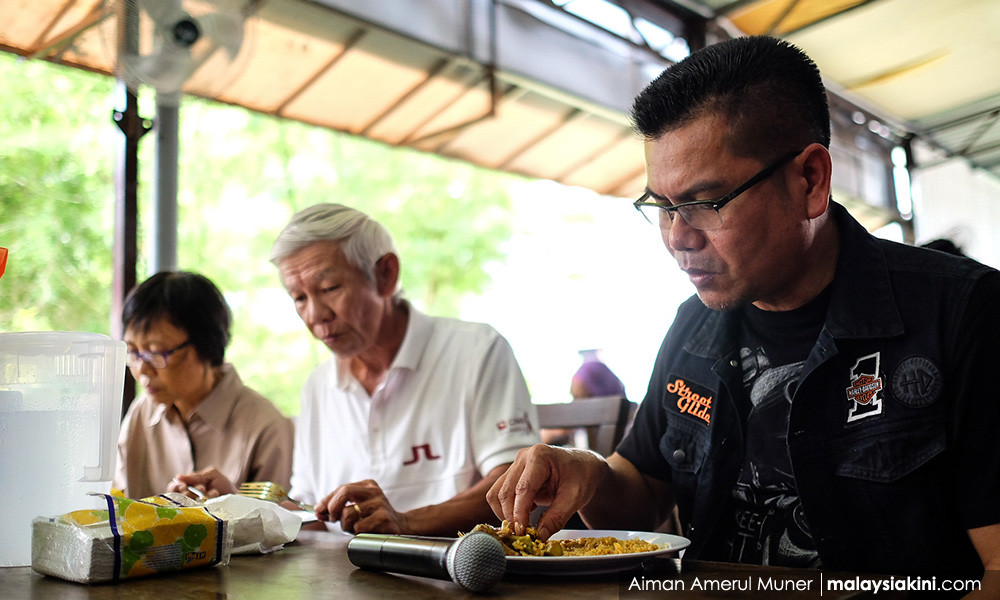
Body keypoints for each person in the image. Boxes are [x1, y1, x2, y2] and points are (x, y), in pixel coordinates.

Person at [487, 35, 1000, 588]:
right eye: (661, 207)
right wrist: (587, 474)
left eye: (705, 203)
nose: (678, 239)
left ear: (810, 180)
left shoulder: (963, 315)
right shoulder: (693, 326)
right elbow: (642, 501)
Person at [176, 203, 540, 536]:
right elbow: (311, 514)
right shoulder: (319, 386)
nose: (315, 315)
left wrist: (406, 522)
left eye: (330, 288)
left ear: (386, 274)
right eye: (299, 298)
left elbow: (515, 482)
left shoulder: (476, 351)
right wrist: (233, 502)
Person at [113, 271, 294, 499]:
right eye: (133, 352)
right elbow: (117, 508)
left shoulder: (265, 426)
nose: (142, 369)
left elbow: (279, 527)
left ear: (206, 346)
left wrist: (229, 509)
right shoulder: (141, 413)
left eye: (157, 353)